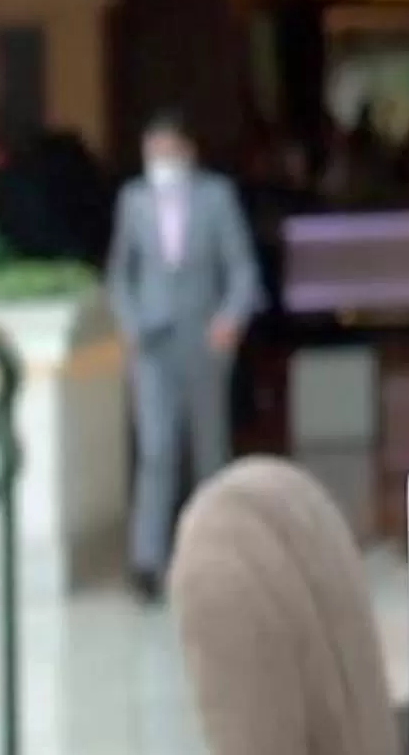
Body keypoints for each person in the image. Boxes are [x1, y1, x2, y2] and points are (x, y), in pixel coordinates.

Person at [106, 109, 263, 601]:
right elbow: (118, 273)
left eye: (169, 152)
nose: (161, 162)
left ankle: (217, 551)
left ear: (187, 152)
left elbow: (241, 269)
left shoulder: (216, 198)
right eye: (153, 153)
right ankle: (147, 560)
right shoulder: (132, 202)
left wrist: (230, 318)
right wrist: (128, 323)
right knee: (156, 450)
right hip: (152, 344)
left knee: (209, 448)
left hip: (204, 338)